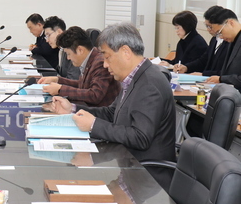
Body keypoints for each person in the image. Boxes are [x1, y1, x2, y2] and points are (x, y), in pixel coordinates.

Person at [46, 23, 176, 166]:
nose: (105, 65)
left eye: (107, 57)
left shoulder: (149, 84)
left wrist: (93, 125)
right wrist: (72, 109)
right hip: (125, 159)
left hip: (146, 170)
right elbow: (111, 113)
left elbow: (140, 138)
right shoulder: (133, 78)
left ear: (125, 52)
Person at [38, 26, 120, 107]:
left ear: (80, 50)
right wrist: (58, 80)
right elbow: (83, 85)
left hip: (98, 113)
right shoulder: (91, 59)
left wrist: (60, 89)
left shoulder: (100, 63)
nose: (68, 58)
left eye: (69, 54)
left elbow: (94, 95)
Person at [203, 6, 241, 91]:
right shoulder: (232, 41)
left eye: (220, 32)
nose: (221, 37)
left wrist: (222, 79)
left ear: (231, 23)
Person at [42, 16, 80, 80]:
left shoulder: (71, 49)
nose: (47, 40)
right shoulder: (61, 49)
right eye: (46, 37)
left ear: (59, 32)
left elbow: (73, 79)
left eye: (48, 35)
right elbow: (60, 74)